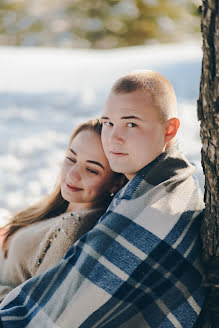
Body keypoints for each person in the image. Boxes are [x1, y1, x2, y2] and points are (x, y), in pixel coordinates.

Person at [0, 70, 206, 327]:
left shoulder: (162, 203)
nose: (114, 138)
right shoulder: (137, 191)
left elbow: (62, 311)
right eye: (108, 122)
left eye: (131, 124)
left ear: (170, 129)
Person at [0, 118, 125, 302]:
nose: (72, 174)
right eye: (71, 158)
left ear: (116, 183)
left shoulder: (72, 226)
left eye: (91, 170)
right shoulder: (63, 209)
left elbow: (34, 305)